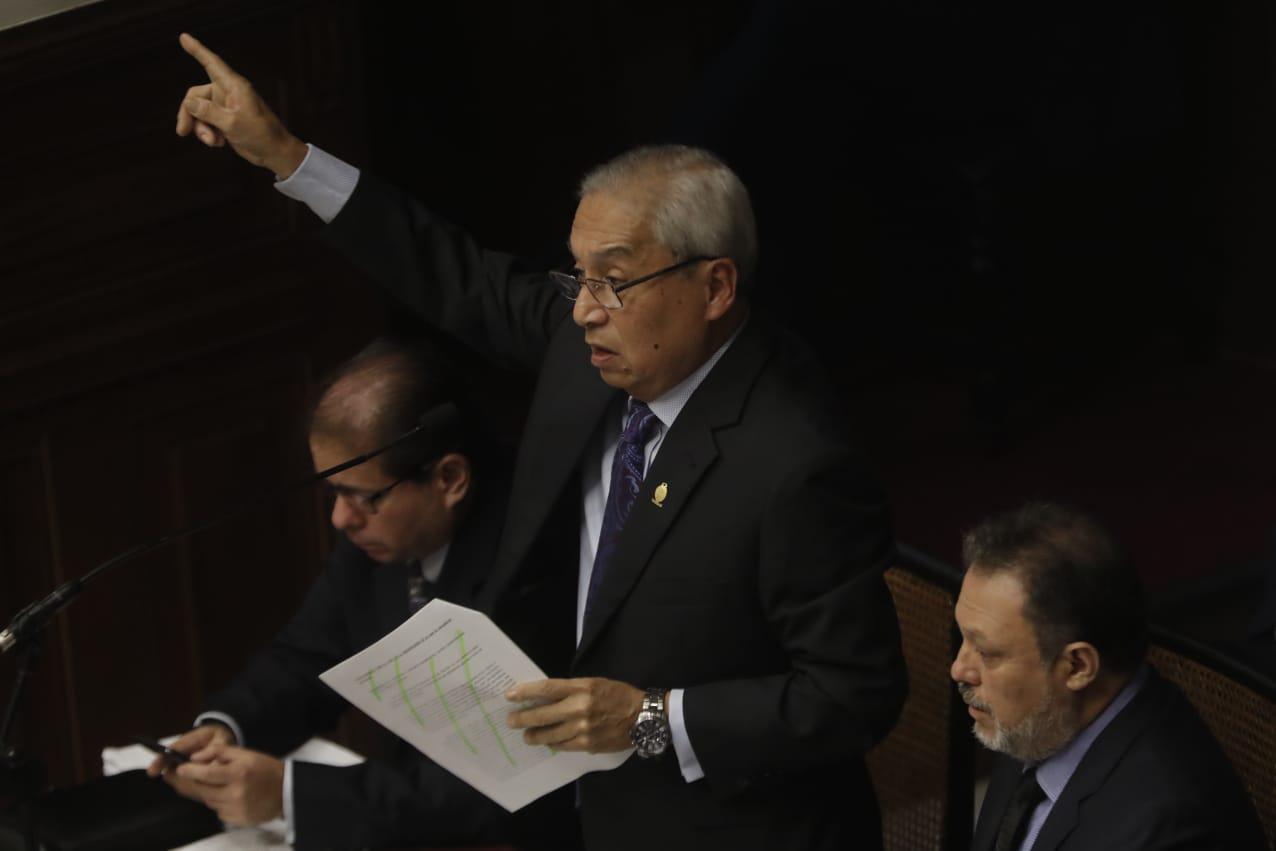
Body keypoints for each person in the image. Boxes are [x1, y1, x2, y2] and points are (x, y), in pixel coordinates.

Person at [174, 33, 908, 850]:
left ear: (715, 286)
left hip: (722, 825)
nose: (585, 309)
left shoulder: (795, 462)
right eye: (579, 275)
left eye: (614, 281)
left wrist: (650, 719)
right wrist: (288, 156)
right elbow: (451, 272)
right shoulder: (592, 342)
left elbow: (854, 697)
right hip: (560, 807)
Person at [145, 337, 557, 850]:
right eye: (332, 493)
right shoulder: (374, 547)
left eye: (363, 497)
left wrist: (288, 796)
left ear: (449, 478)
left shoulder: (533, 568)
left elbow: (495, 789)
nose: (341, 520)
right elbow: (306, 655)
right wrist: (228, 727)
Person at [952, 503, 1267, 851]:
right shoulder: (1038, 717)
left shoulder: (1163, 830)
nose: (959, 669)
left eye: (986, 652)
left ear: (1077, 667)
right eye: (963, 638)